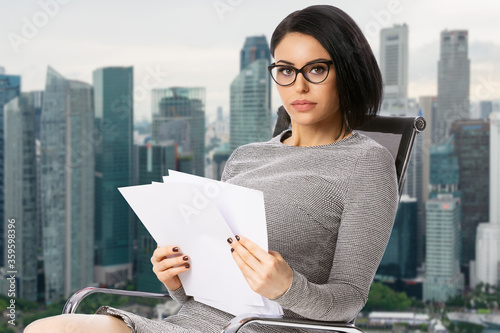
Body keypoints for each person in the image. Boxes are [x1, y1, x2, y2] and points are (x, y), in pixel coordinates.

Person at [25, 5, 398, 333]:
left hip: (267, 331)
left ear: (347, 71)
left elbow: (349, 300)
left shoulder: (367, 164)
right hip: (189, 323)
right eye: (285, 70)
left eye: (316, 69)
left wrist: (288, 288)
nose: (298, 85)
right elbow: (201, 291)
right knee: (47, 328)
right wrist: (176, 276)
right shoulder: (245, 156)